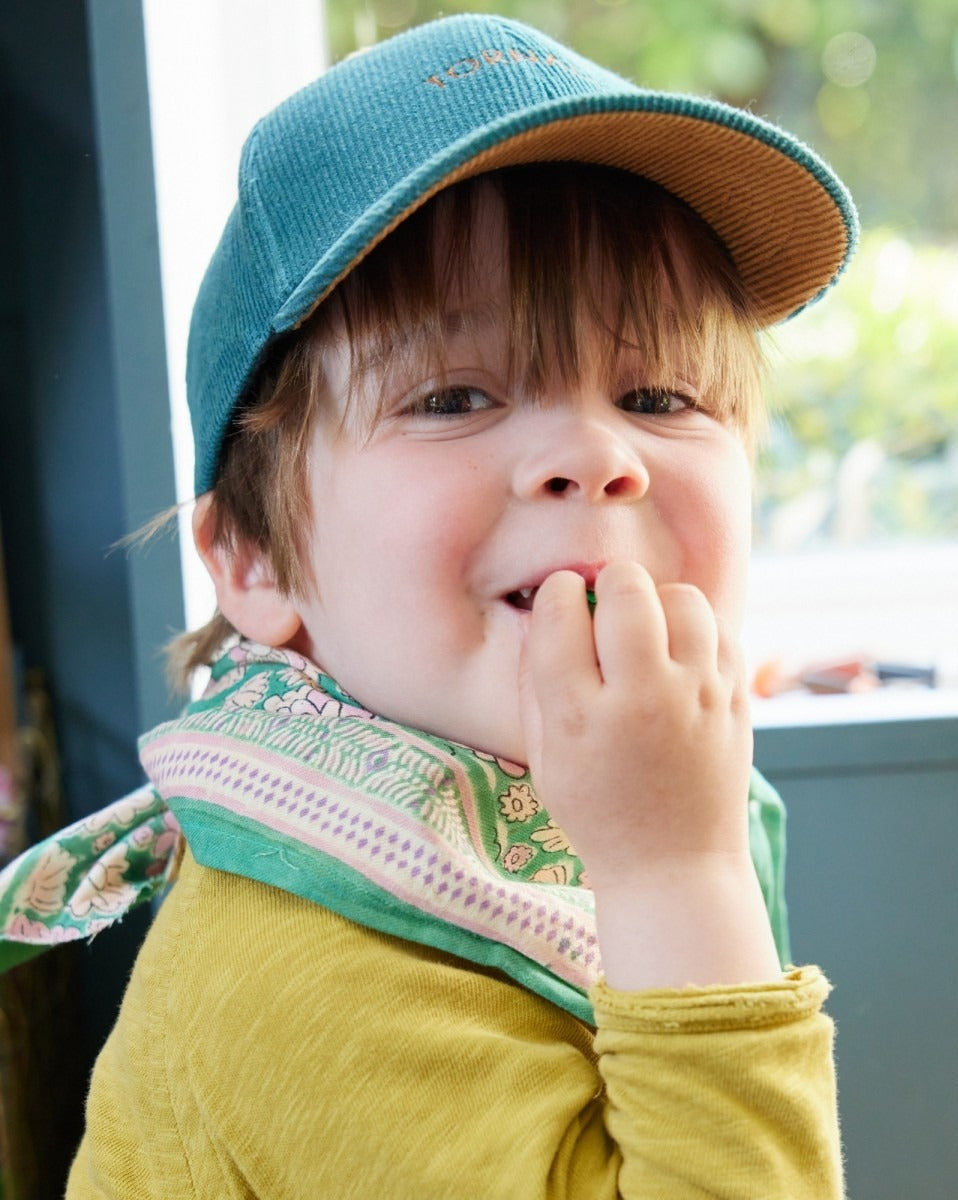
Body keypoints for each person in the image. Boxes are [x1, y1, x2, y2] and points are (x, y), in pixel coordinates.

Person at [0, 12, 857, 1197]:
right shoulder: (299, 976)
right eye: (455, 397)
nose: (597, 453)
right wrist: (677, 876)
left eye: (660, 392)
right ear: (254, 558)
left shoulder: (532, 828)